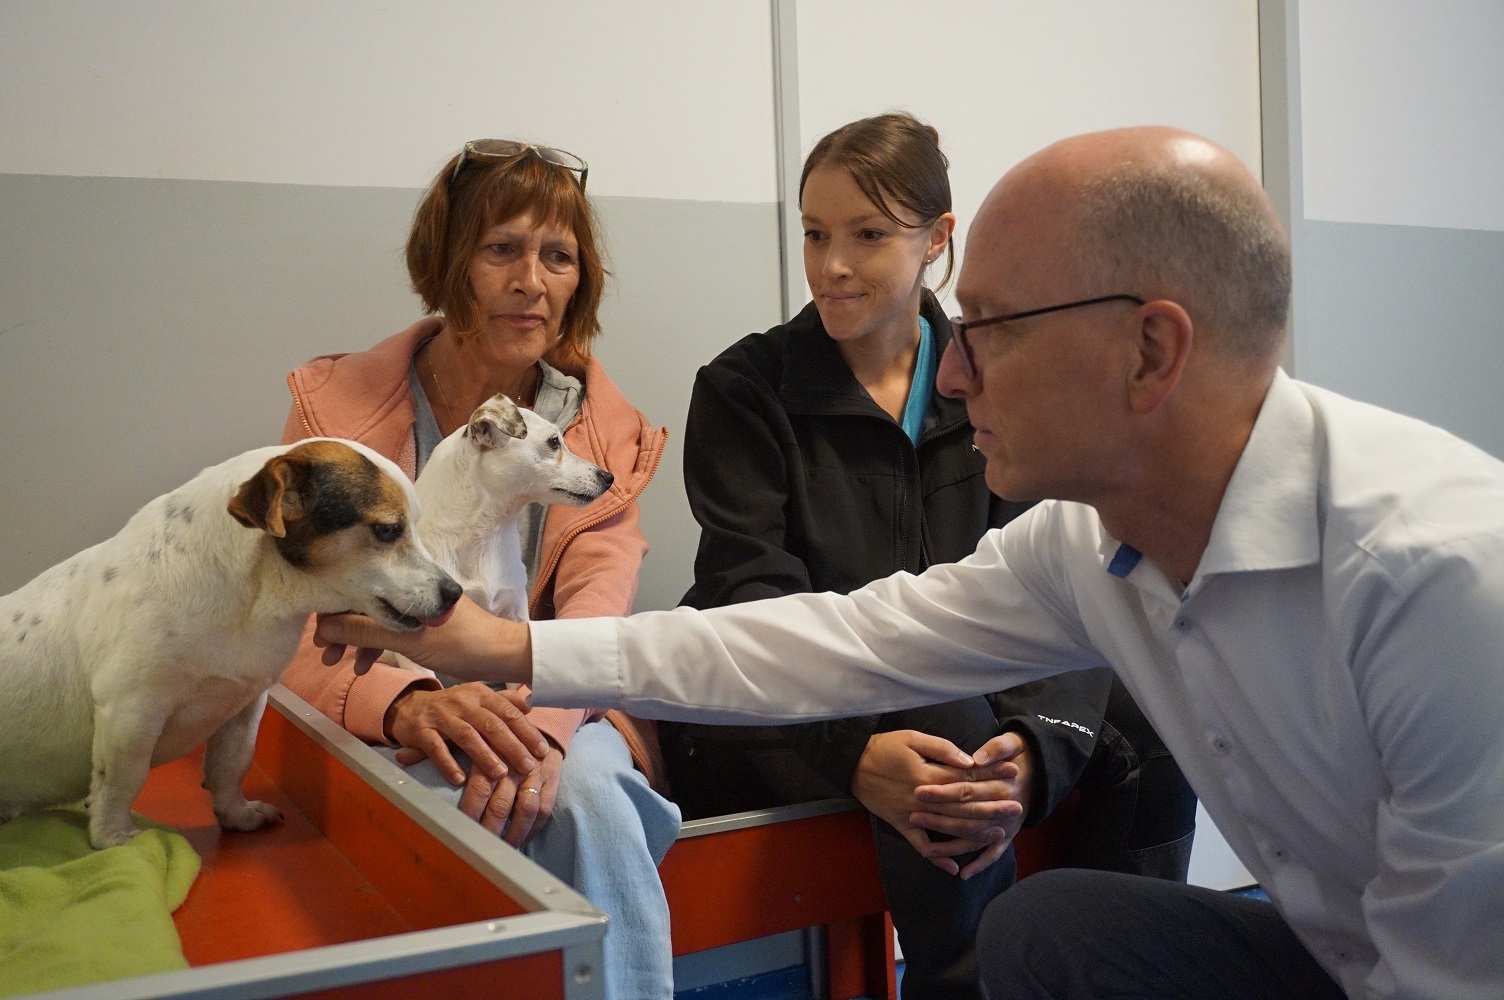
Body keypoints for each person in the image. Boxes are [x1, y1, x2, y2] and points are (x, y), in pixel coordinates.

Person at [316, 126, 1504, 1000]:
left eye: (985, 326)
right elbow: (837, 635)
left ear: (1150, 350)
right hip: (1335, 951)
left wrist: (1038, 755)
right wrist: (500, 645)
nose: (952, 370)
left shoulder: (1442, 579)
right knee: (1052, 932)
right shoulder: (1081, 540)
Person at [661, 112, 1195, 999]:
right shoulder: (742, 388)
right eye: (815, 233)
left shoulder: (997, 376)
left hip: (975, 692)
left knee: (1153, 714)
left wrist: (1034, 747)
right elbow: (747, 600)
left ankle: (1116, 976)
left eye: (868, 235)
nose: (832, 264)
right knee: (939, 720)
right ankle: (965, 985)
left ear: (938, 240)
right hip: (785, 705)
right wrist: (857, 755)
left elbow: (1070, 585)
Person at [279, 138, 680, 999]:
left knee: (588, 803)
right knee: (419, 822)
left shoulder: (604, 435)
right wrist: (411, 702)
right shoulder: (335, 417)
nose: (531, 280)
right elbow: (288, 625)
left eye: (557, 256)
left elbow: (596, 618)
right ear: (451, 263)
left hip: (547, 702)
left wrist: (539, 728)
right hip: (386, 712)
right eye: (502, 249)